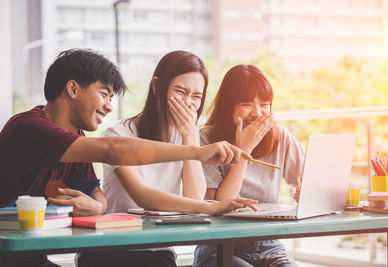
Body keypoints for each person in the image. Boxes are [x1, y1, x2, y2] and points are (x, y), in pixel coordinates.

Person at [0, 49, 255, 267]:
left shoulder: (75, 140)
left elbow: (96, 196)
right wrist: (198, 153)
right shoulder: (30, 127)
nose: (109, 106)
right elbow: (113, 149)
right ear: (73, 88)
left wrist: (98, 207)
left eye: (197, 96)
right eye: (104, 94)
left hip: (28, 255)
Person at [75, 51, 257, 267]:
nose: (189, 103)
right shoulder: (119, 134)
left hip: (158, 249)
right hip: (111, 248)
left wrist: (190, 136)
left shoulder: (188, 137)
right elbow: (144, 197)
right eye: (181, 91)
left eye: (197, 96)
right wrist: (211, 207)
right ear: (157, 87)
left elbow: (195, 197)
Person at [193, 64, 305, 267]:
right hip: (219, 247)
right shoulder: (206, 139)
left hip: (269, 246)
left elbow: (309, 182)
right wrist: (244, 150)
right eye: (247, 104)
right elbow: (219, 205)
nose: (258, 113)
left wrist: (304, 192)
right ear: (229, 106)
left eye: (264, 104)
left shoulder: (280, 137)